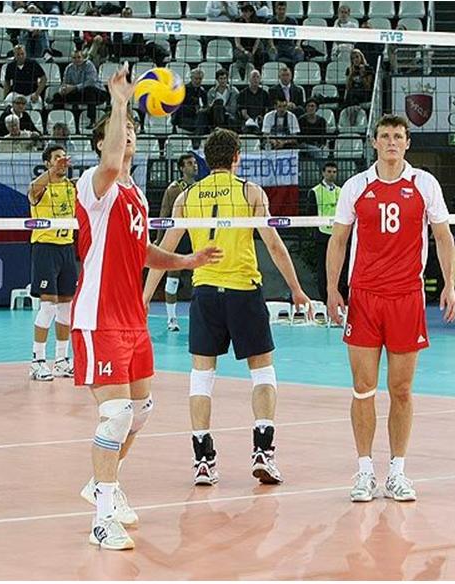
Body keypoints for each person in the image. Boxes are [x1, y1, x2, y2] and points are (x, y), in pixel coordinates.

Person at [73, 63, 223, 550]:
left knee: (140, 411)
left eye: (134, 132)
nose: (130, 137)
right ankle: (101, 517)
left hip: (132, 319)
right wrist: (119, 101)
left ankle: (103, 483)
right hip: (98, 316)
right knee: (116, 413)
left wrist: (186, 260)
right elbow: (111, 164)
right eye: (122, 133)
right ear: (103, 144)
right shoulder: (94, 185)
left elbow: (141, 251)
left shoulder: (135, 194)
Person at [143, 128, 312, 488]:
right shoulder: (250, 192)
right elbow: (274, 245)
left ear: (206, 160)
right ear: (237, 157)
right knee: (262, 372)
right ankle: (263, 452)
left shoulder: (187, 197)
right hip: (243, 291)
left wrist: (143, 299)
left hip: (205, 293)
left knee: (201, 376)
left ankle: (203, 461)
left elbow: (164, 252)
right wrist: (297, 289)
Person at [326, 114, 455, 503]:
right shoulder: (356, 186)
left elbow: (443, 236)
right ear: (374, 143)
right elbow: (338, 240)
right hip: (365, 297)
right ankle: (365, 471)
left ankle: (397, 472)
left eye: (398, 136)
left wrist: (449, 283)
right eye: (384, 136)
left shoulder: (424, 184)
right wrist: (333, 289)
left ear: (407, 143)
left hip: (406, 297)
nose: (391, 142)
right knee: (363, 388)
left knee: (401, 390)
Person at [27, 144, 77, 381]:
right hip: (45, 248)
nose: (62, 161)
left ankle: (61, 360)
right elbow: (32, 191)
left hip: (67, 248)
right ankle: (37, 361)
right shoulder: (40, 187)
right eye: (57, 158)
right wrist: (53, 171)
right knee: (48, 305)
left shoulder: (72, 187)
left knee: (66, 306)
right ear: (47, 163)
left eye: (64, 157)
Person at [154, 153, 199, 332]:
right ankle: (172, 319)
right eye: (189, 163)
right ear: (181, 168)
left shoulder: (200, 187)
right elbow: (164, 215)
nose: (194, 166)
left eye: (194, 163)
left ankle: (200, 316)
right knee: (173, 278)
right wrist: (160, 240)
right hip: (178, 237)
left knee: (201, 278)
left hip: (196, 236)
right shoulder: (174, 189)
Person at [308, 161, 347, 302]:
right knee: (323, 269)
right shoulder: (315, 191)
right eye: (329, 172)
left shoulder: (341, 191)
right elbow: (311, 214)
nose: (332, 174)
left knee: (341, 267)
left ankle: (341, 297)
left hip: (339, 234)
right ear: (323, 173)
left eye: (334, 172)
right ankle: (325, 299)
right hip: (322, 235)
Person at [50, 50, 106, 126]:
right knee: (57, 96)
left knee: (89, 90)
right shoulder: (69, 68)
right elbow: (65, 83)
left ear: (83, 58)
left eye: (79, 57)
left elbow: (91, 82)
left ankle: (92, 121)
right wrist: (63, 89)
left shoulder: (89, 65)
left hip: (98, 93)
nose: (77, 60)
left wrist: (74, 87)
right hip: (80, 93)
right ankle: (58, 122)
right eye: (74, 58)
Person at [3, 45, 47, 110]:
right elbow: (7, 81)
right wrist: (5, 95)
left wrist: (37, 93)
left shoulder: (33, 64)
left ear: (25, 54)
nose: (21, 56)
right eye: (18, 54)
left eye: (22, 54)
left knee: (38, 102)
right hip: (16, 93)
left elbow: (44, 78)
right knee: (7, 101)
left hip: (31, 94)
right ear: (14, 55)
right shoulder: (11, 66)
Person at [172, 68, 209, 136]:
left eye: (200, 79)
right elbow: (178, 108)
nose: (198, 81)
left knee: (203, 117)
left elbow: (206, 106)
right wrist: (194, 110)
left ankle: (197, 137)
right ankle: (197, 138)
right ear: (191, 78)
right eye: (196, 79)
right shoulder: (183, 90)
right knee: (202, 123)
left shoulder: (203, 92)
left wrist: (203, 110)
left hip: (198, 118)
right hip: (185, 119)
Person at [237, 69, 272, 134]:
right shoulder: (243, 93)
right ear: (249, 79)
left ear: (260, 79)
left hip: (261, 120)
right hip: (247, 121)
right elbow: (243, 113)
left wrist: (261, 118)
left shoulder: (264, 94)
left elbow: (267, 110)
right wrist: (251, 120)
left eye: (257, 77)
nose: (255, 79)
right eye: (253, 77)